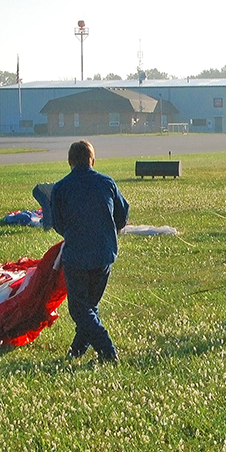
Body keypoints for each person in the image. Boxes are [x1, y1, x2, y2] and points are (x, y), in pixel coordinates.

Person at [49, 140, 129, 363]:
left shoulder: (61, 188)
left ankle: (107, 349)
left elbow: (58, 224)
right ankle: (77, 350)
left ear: (69, 162)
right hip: (104, 254)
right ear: (93, 160)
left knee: (80, 310)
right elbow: (122, 216)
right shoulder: (107, 183)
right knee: (90, 307)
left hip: (77, 256)